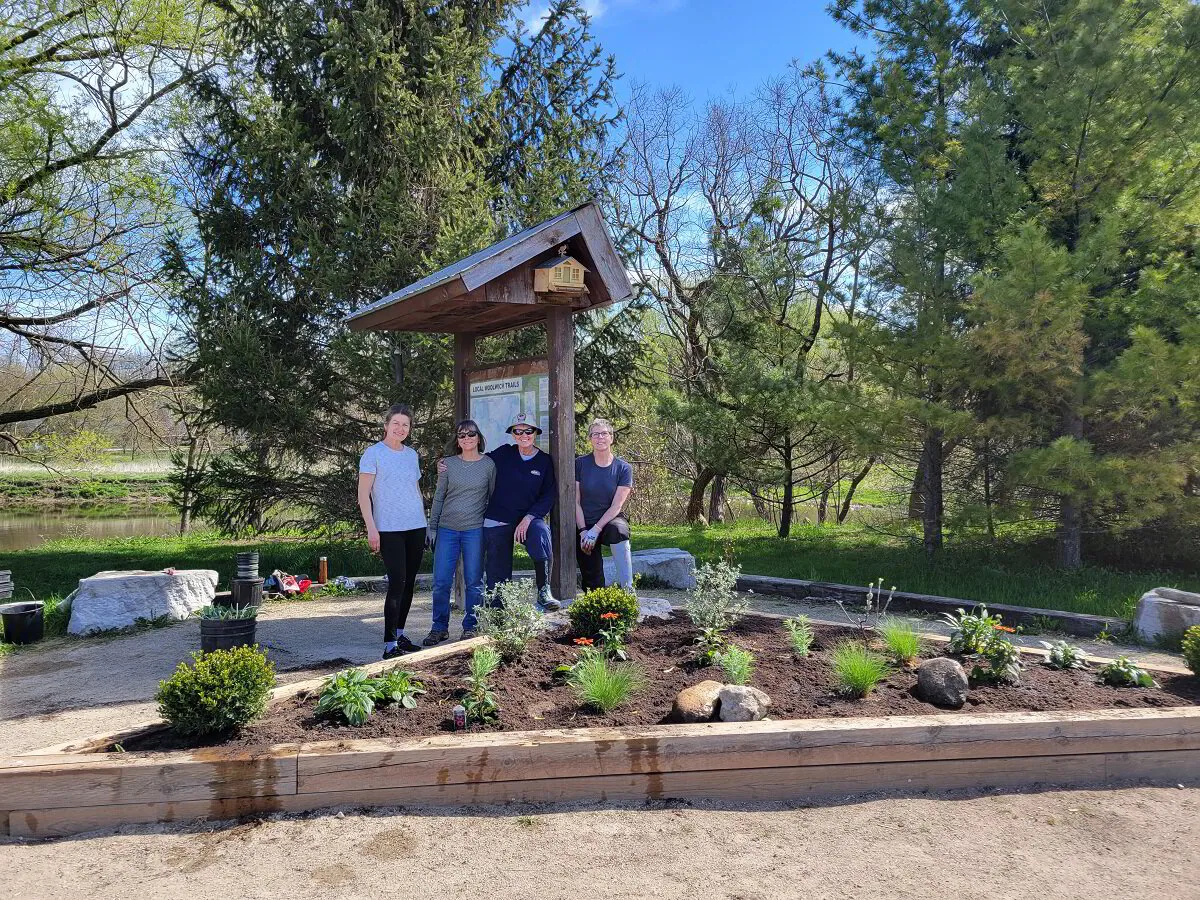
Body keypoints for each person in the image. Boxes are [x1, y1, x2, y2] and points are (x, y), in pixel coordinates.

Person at [445, 412, 560, 610]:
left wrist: (529, 518)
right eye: (518, 431)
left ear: (535, 433)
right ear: (513, 434)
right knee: (496, 555)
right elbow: (477, 461)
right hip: (499, 515)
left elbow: (548, 495)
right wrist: (448, 464)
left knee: (541, 533)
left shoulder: (544, 461)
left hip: (528, 517)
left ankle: (543, 590)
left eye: (528, 431)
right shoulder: (504, 453)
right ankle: (497, 606)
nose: (523, 435)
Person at [358, 403, 427, 659]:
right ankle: (389, 644)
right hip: (389, 529)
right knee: (396, 582)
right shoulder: (373, 453)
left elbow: (416, 491)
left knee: (409, 583)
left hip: (416, 526)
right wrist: (371, 529)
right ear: (386, 425)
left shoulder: (411, 455)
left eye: (405, 425)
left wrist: (426, 521)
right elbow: (363, 495)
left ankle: (399, 633)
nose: (400, 428)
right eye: (396, 423)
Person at [424, 419, 495, 645]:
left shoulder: (488, 465)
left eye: (471, 434)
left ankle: (471, 626)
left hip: (474, 530)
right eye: (461, 435)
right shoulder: (447, 464)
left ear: (478, 437)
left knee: (474, 581)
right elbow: (439, 496)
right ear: (457, 440)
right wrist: (432, 526)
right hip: (447, 529)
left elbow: (491, 497)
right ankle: (439, 627)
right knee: (441, 581)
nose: (466, 438)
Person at [575, 418, 634, 591]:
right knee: (593, 583)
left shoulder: (623, 468)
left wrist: (596, 529)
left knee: (620, 531)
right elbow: (575, 502)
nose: (600, 437)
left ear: (611, 438)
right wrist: (584, 531)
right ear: (590, 439)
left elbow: (616, 506)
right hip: (583, 523)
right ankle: (597, 605)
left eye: (604, 433)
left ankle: (628, 590)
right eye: (595, 434)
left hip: (610, 520)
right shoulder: (579, 464)